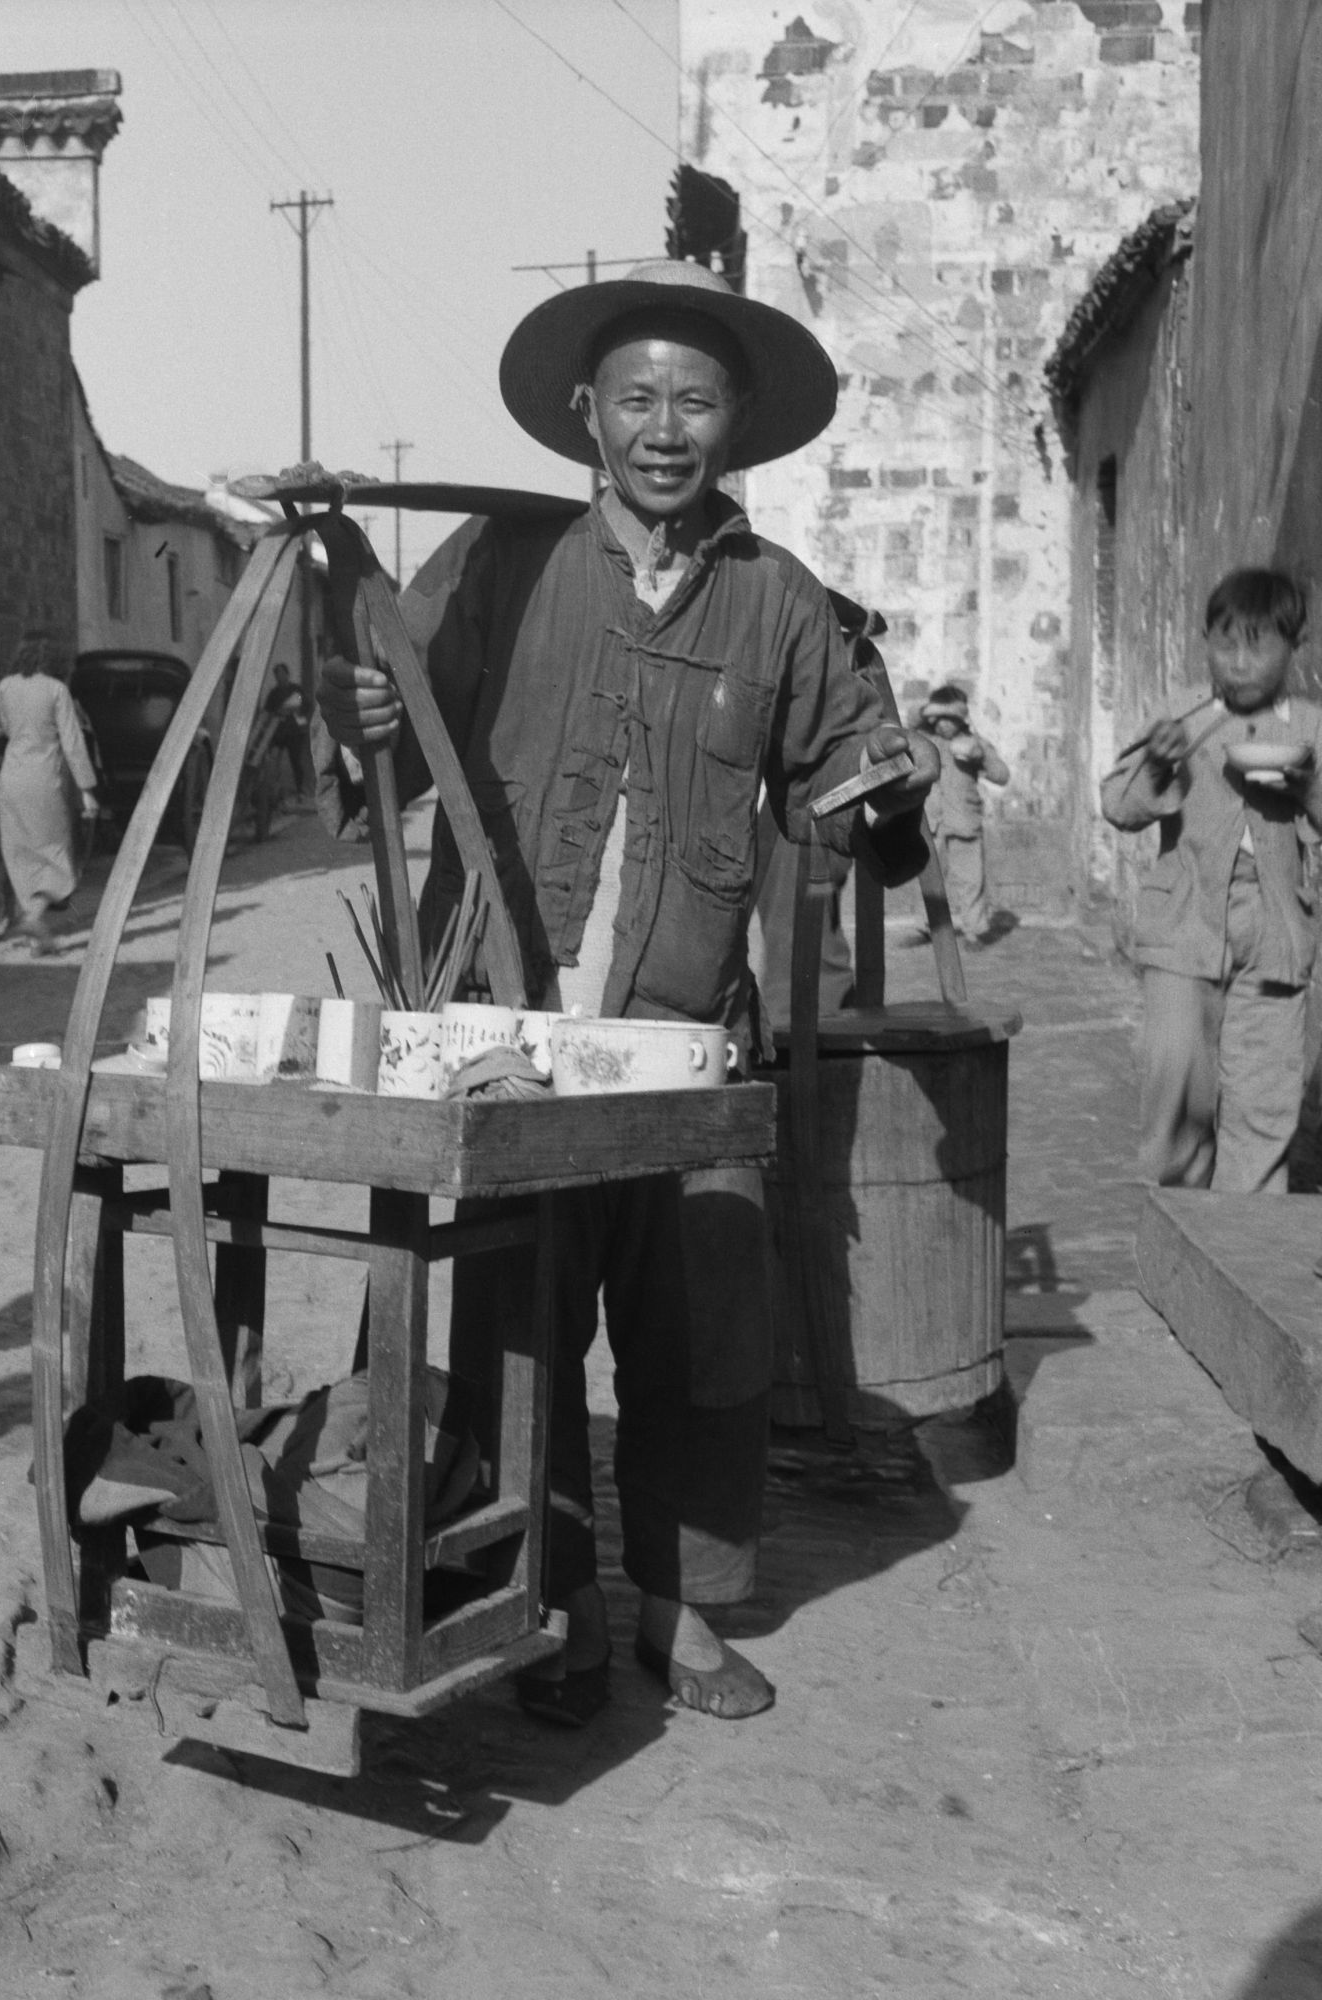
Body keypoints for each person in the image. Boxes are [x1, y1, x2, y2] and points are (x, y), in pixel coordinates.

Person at [316, 260, 935, 1724]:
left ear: (738, 423)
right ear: (588, 414)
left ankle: (678, 1609)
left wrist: (885, 801)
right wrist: (367, 719)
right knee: (515, 1322)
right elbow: (385, 733)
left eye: (697, 400)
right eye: (640, 398)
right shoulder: (496, 563)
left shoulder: (784, 605)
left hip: (686, 1048)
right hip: (507, 1036)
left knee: (705, 1331)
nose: (667, 427)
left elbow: (857, 788)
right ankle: (553, 1594)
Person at [1101, 567, 1322, 1193]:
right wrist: (1157, 761)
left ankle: (1245, 1244)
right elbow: (1119, 807)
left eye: (1259, 646)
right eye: (1226, 645)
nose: (1241, 663)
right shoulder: (1182, 714)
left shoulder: (1310, 727)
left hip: (1276, 930)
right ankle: (1179, 1219)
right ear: (1205, 642)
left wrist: (1309, 788)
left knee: (1265, 1098)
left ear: (1296, 645)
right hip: (1184, 924)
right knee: (1175, 1077)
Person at [0, 632, 101, 956]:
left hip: (11, 778)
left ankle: (35, 937)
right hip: (44, 781)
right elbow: (72, 743)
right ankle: (35, 917)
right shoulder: (57, 691)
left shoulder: (5, 687)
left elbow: (8, 729)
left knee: (21, 853)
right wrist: (87, 790)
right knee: (55, 855)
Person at [914, 683, 1010, 946]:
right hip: (930, 823)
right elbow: (908, 724)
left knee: (970, 879)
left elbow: (1002, 776)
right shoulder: (924, 740)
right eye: (939, 718)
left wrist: (981, 758)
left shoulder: (973, 743)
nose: (944, 724)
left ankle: (975, 931)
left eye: (951, 718)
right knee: (929, 878)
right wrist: (926, 714)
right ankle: (927, 926)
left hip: (964, 822)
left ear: (962, 718)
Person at [263, 661, 312, 799]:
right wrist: (277, 713)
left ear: (287, 674)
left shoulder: (296, 690)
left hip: (295, 732)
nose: (280, 677)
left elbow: (307, 705)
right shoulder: (273, 694)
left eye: (282, 673)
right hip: (278, 732)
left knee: (296, 760)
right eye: (277, 674)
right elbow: (268, 711)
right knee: (274, 760)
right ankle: (275, 790)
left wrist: (296, 710)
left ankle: (300, 789)